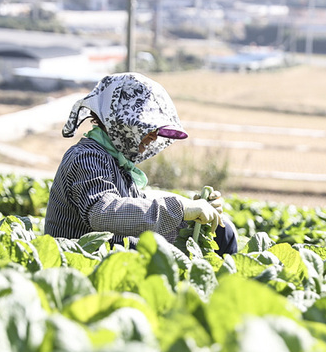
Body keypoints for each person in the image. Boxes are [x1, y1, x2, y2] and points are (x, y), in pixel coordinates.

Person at [44, 72, 238, 254]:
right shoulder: (86, 157)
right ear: (120, 121)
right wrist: (181, 209)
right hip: (81, 266)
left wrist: (193, 216)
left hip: (114, 259)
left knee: (223, 232)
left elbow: (139, 219)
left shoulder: (115, 161)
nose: (154, 135)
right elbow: (103, 214)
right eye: (147, 125)